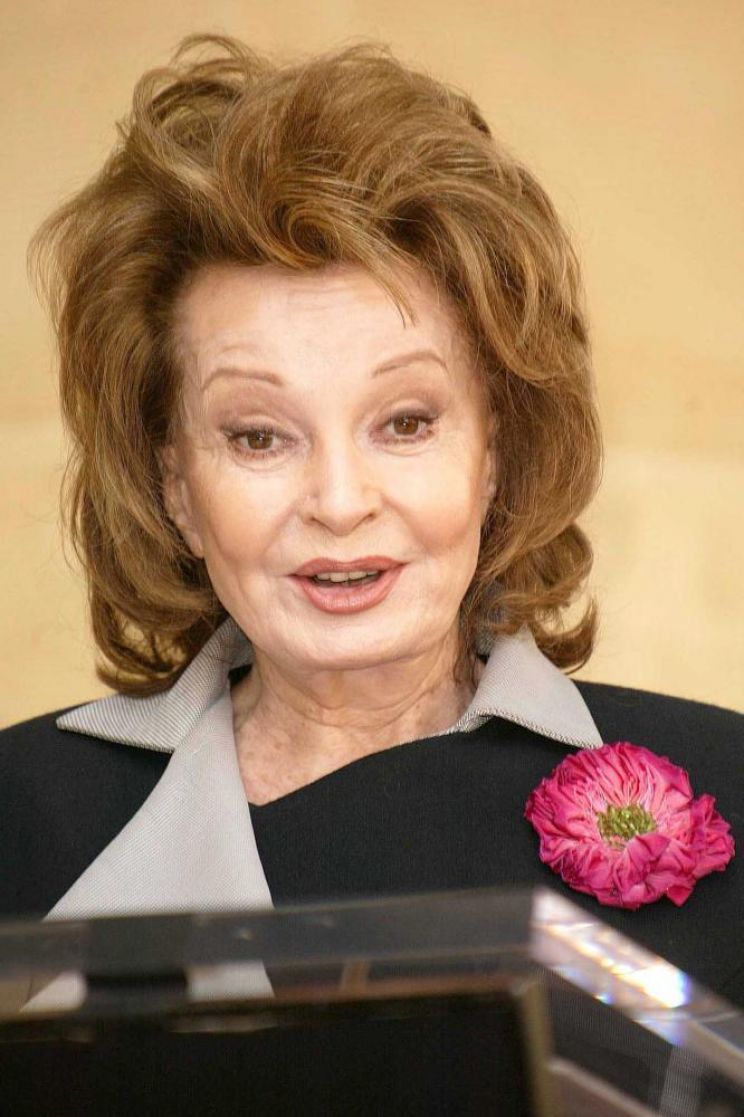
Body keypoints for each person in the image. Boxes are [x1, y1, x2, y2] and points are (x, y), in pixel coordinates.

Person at [1, 34, 741, 1015]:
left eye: (405, 423)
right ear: (174, 483)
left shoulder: (729, 781)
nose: (341, 501)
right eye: (259, 436)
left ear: (495, 453)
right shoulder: (21, 811)